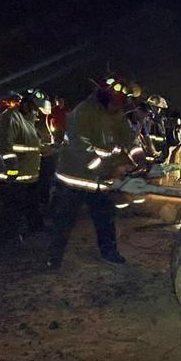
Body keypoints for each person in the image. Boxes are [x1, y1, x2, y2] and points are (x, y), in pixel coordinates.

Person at [47, 77, 145, 268]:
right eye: (116, 104)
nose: (118, 110)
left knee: (106, 219)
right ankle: (54, 257)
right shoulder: (83, 112)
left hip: (100, 181)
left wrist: (139, 158)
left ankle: (109, 252)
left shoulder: (116, 114)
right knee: (63, 221)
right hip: (73, 180)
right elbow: (82, 150)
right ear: (104, 98)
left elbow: (129, 138)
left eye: (121, 106)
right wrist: (108, 170)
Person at [0, 89, 52, 240]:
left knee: (32, 205)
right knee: (12, 208)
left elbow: (31, 146)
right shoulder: (10, 117)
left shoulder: (29, 120)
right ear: (26, 104)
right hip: (15, 176)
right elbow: (3, 144)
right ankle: (9, 236)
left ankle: (35, 228)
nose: (36, 112)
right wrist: (12, 171)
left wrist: (47, 149)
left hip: (30, 176)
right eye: (34, 108)